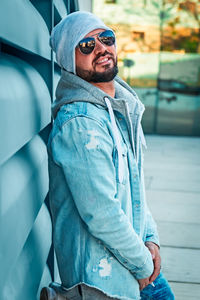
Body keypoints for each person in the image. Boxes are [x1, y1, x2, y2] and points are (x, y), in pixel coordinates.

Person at [46, 11, 175, 300]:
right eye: (86, 45)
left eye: (106, 39)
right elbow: (102, 213)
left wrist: (150, 239)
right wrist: (143, 265)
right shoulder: (80, 123)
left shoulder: (117, 110)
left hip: (134, 260)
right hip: (104, 283)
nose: (102, 48)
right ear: (69, 61)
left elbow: (135, 187)